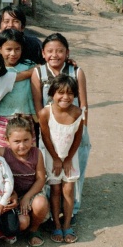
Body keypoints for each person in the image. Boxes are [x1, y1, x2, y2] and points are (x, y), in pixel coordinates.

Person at [31, 32, 90, 224]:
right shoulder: (38, 72)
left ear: (67, 52)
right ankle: (51, 214)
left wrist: (82, 130)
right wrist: (43, 130)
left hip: (73, 129)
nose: (54, 55)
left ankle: (72, 212)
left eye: (60, 51)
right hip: (49, 131)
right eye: (50, 51)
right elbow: (38, 105)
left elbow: (83, 104)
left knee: (74, 172)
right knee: (51, 174)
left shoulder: (76, 71)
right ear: (43, 53)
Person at [39, 74, 85, 244]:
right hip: (52, 157)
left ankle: (67, 225)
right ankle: (56, 224)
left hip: (70, 158)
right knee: (56, 190)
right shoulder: (45, 112)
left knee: (68, 190)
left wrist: (67, 159)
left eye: (70, 93)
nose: (65, 97)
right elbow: (45, 138)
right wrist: (57, 159)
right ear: (52, 93)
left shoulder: (78, 113)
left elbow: (78, 138)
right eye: (61, 93)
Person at [0, 115, 50, 247]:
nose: (22, 146)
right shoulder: (2, 153)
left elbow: (40, 179)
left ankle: (34, 229)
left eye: (26, 140)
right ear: (7, 140)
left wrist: (27, 198)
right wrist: (11, 196)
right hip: (12, 196)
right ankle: (20, 226)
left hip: (32, 193)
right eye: (17, 141)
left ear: (32, 139)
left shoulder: (37, 153)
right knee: (22, 223)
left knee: (40, 203)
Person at [0, 29, 37, 147]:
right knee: (5, 154)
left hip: (26, 117)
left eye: (17, 49)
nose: (13, 53)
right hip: (4, 117)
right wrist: (28, 73)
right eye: (8, 49)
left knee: (28, 152)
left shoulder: (29, 65)